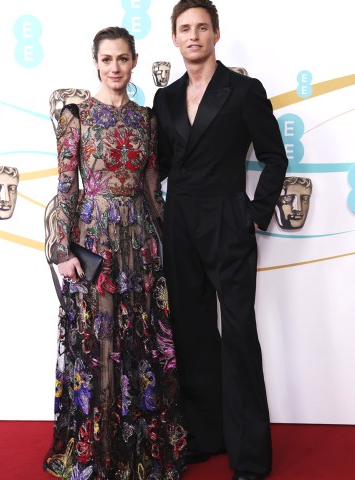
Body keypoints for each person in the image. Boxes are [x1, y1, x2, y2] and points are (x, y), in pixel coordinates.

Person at [152, 1, 288, 479]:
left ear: (216, 34)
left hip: (227, 221)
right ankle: (204, 436)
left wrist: (252, 214)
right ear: (174, 38)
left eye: (201, 28)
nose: (193, 36)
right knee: (191, 335)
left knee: (238, 336)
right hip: (180, 223)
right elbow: (162, 165)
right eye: (185, 29)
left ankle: (249, 456)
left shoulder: (244, 90)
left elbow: (274, 157)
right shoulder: (165, 99)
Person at [43, 26, 186, 480]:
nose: (115, 67)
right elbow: (67, 189)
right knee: (97, 339)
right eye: (107, 60)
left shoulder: (146, 120)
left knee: (138, 337)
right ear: (96, 63)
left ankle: (138, 449)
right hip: (94, 241)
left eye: (123, 59)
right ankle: (97, 449)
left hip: (139, 240)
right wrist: (62, 249)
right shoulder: (77, 117)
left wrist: (172, 244)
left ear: (135, 61)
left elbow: (152, 191)